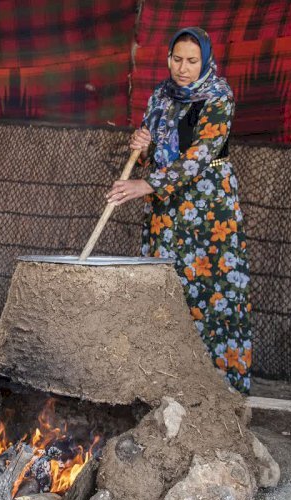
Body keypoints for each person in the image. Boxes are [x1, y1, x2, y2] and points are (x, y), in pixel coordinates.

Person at [106, 27, 253, 393]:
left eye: (191, 61)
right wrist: (141, 144)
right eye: (176, 59)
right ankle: (167, 385)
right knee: (167, 289)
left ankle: (220, 389)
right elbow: (150, 152)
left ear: (205, 60)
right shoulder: (161, 95)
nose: (182, 68)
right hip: (167, 213)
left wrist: (146, 185)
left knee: (212, 291)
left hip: (208, 212)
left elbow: (200, 156)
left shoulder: (219, 97)